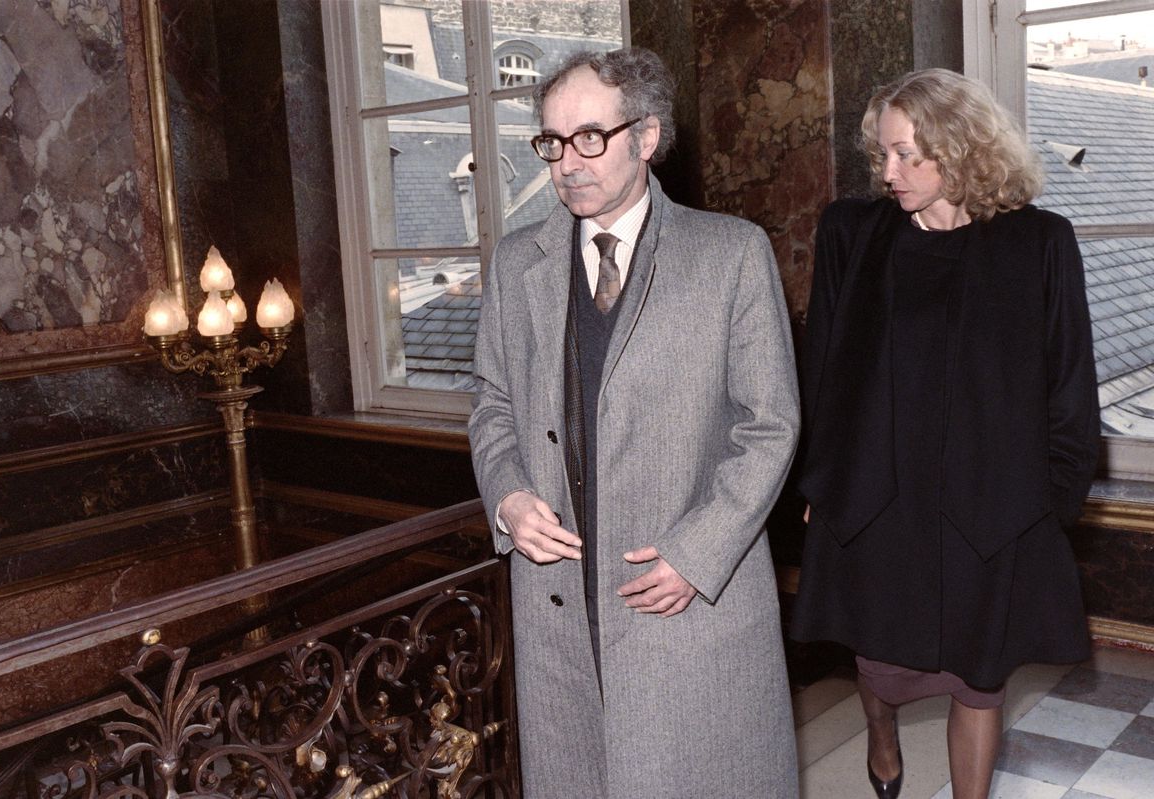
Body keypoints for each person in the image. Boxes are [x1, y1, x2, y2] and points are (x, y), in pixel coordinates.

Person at [469, 47, 800, 798]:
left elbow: (769, 425)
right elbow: (490, 401)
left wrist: (696, 552)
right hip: (557, 607)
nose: (566, 163)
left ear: (647, 137)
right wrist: (509, 496)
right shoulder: (517, 261)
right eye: (551, 142)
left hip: (682, 594)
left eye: (591, 137)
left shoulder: (730, 254)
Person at [791, 68, 1099, 799]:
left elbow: (1070, 382)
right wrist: (817, 480)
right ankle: (882, 732)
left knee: (979, 678)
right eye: (882, 156)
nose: (887, 173)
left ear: (959, 150)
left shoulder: (1041, 243)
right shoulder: (851, 233)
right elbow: (823, 365)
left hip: (990, 507)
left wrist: (1052, 503)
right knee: (879, 669)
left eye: (906, 156)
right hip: (877, 496)